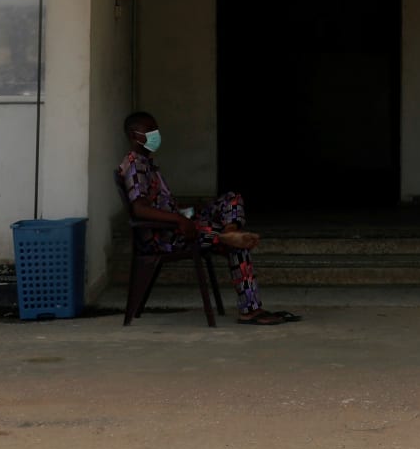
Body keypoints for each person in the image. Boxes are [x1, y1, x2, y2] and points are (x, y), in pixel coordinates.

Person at [118, 110, 297, 325]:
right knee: (238, 247)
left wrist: (188, 211)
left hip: (179, 222)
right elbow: (140, 209)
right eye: (149, 131)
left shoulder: (148, 163)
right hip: (165, 235)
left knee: (232, 199)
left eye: (156, 130)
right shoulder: (134, 165)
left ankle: (229, 232)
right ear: (133, 134)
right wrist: (179, 220)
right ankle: (250, 308)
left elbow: (161, 202)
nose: (155, 135)